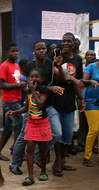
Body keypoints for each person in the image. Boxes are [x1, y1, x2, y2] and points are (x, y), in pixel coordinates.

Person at [8, 40, 63, 175]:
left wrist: (60, 66)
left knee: (57, 133)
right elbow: (32, 87)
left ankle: (38, 156)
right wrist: (51, 88)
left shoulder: (50, 62)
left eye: (44, 48)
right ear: (33, 51)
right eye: (38, 49)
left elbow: (61, 78)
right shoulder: (30, 65)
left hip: (48, 105)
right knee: (23, 136)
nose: (42, 51)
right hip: (34, 107)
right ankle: (14, 164)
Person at [8, 68, 52, 186]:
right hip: (31, 123)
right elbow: (26, 108)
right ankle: (30, 176)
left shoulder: (44, 90)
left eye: (37, 77)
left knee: (42, 149)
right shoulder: (28, 92)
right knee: (30, 148)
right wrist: (15, 112)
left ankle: (43, 171)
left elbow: (40, 104)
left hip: (42, 123)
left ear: (42, 79)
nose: (34, 79)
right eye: (31, 77)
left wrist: (33, 91)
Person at [50, 32, 85, 176]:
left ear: (74, 43)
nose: (65, 43)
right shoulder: (56, 58)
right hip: (56, 99)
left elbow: (79, 82)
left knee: (68, 134)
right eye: (63, 41)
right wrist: (72, 79)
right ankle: (58, 161)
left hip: (70, 100)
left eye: (68, 41)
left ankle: (62, 160)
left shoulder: (77, 59)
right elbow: (58, 76)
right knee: (58, 133)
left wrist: (81, 98)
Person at [0, 42, 26, 162]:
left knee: (8, 129)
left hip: (16, 99)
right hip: (10, 102)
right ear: (7, 53)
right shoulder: (4, 66)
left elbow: (18, 84)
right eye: (13, 51)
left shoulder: (17, 66)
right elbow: (0, 84)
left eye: (17, 51)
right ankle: (18, 152)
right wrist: (18, 85)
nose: (16, 53)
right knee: (22, 126)